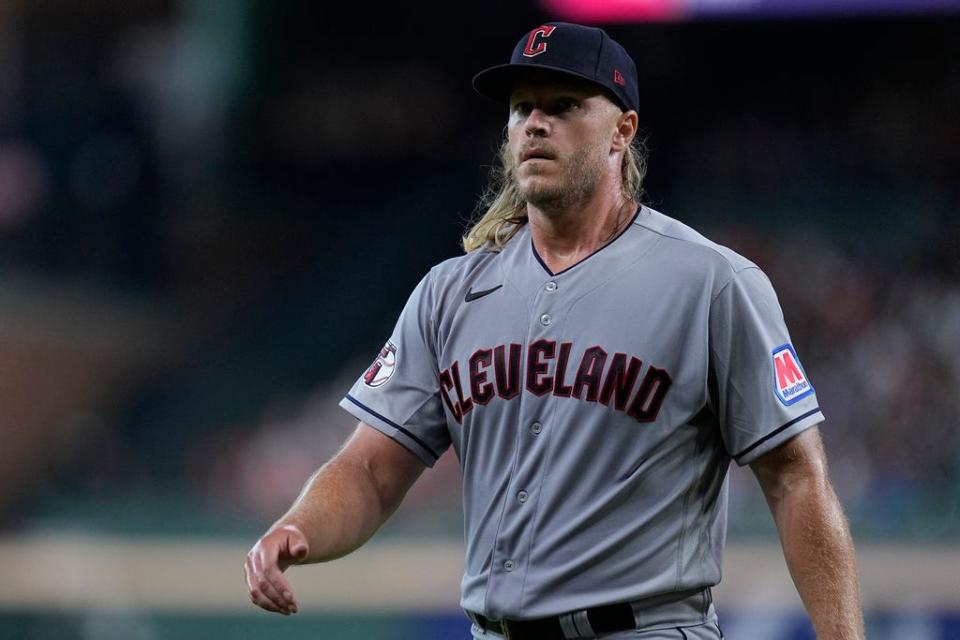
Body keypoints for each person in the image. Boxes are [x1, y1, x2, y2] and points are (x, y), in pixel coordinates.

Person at [245, 22, 865, 640]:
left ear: (623, 129)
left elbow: (795, 475)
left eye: (564, 105)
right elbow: (371, 470)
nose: (535, 123)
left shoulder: (710, 283)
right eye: (522, 108)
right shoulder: (450, 292)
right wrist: (299, 527)